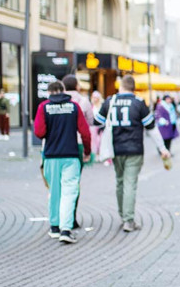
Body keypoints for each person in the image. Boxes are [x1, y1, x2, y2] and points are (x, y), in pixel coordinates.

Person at [94, 75, 171, 232]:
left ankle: (123, 215)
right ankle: (128, 220)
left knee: (120, 181)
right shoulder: (138, 103)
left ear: (121, 86)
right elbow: (151, 128)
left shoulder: (110, 101)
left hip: (115, 149)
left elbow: (97, 122)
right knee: (130, 183)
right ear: (133, 88)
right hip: (134, 149)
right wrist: (162, 148)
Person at [34, 80, 91, 244]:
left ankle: (54, 227)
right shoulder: (74, 107)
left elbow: (39, 132)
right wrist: (87, 151)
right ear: (63, 90)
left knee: (54, 191)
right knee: (69, 191)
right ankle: (66, 229)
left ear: (49, 92)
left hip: (51, 155)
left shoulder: (43, 107)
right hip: (70, 155)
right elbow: (85, 132)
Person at [62, 75, 95, 228]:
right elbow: (90, 123)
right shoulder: (83, 101)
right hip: (78, 144)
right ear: (77, 86)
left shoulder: (55, 101)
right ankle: (71, 216)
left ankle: (59, 217)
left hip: (58, 145)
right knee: (74, 182)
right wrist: (88, 151)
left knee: (59, 184)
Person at [90, 90, 104, 158]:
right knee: (94, 142)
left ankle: (102, 154)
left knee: (101, 141)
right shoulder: (91, 106)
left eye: (96, 97)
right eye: (94, 97)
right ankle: (95, 155)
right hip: (94, 127)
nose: (95, 99)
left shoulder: (102, 106)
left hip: (102, 126)